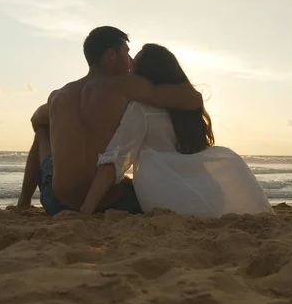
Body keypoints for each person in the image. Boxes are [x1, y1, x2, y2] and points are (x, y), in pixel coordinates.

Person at [64, 44, 272, 218]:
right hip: (209, 195)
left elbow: (114, 161)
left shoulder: (140, 109)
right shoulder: (188, 105)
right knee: (229, 157)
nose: (129, 68)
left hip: (164, 196)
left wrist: (84, 212)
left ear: (145, 73)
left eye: (134, 63)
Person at [16, 27, 203, 216]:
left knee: (42, 133)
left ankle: (23, 202)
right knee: (134, 188)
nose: (130, 62)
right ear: (111, 55)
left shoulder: (58, 95)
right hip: (108, 202)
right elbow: (193, 100)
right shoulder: (126, 87)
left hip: (55, 203)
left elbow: (36, 119)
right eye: (127, 53)